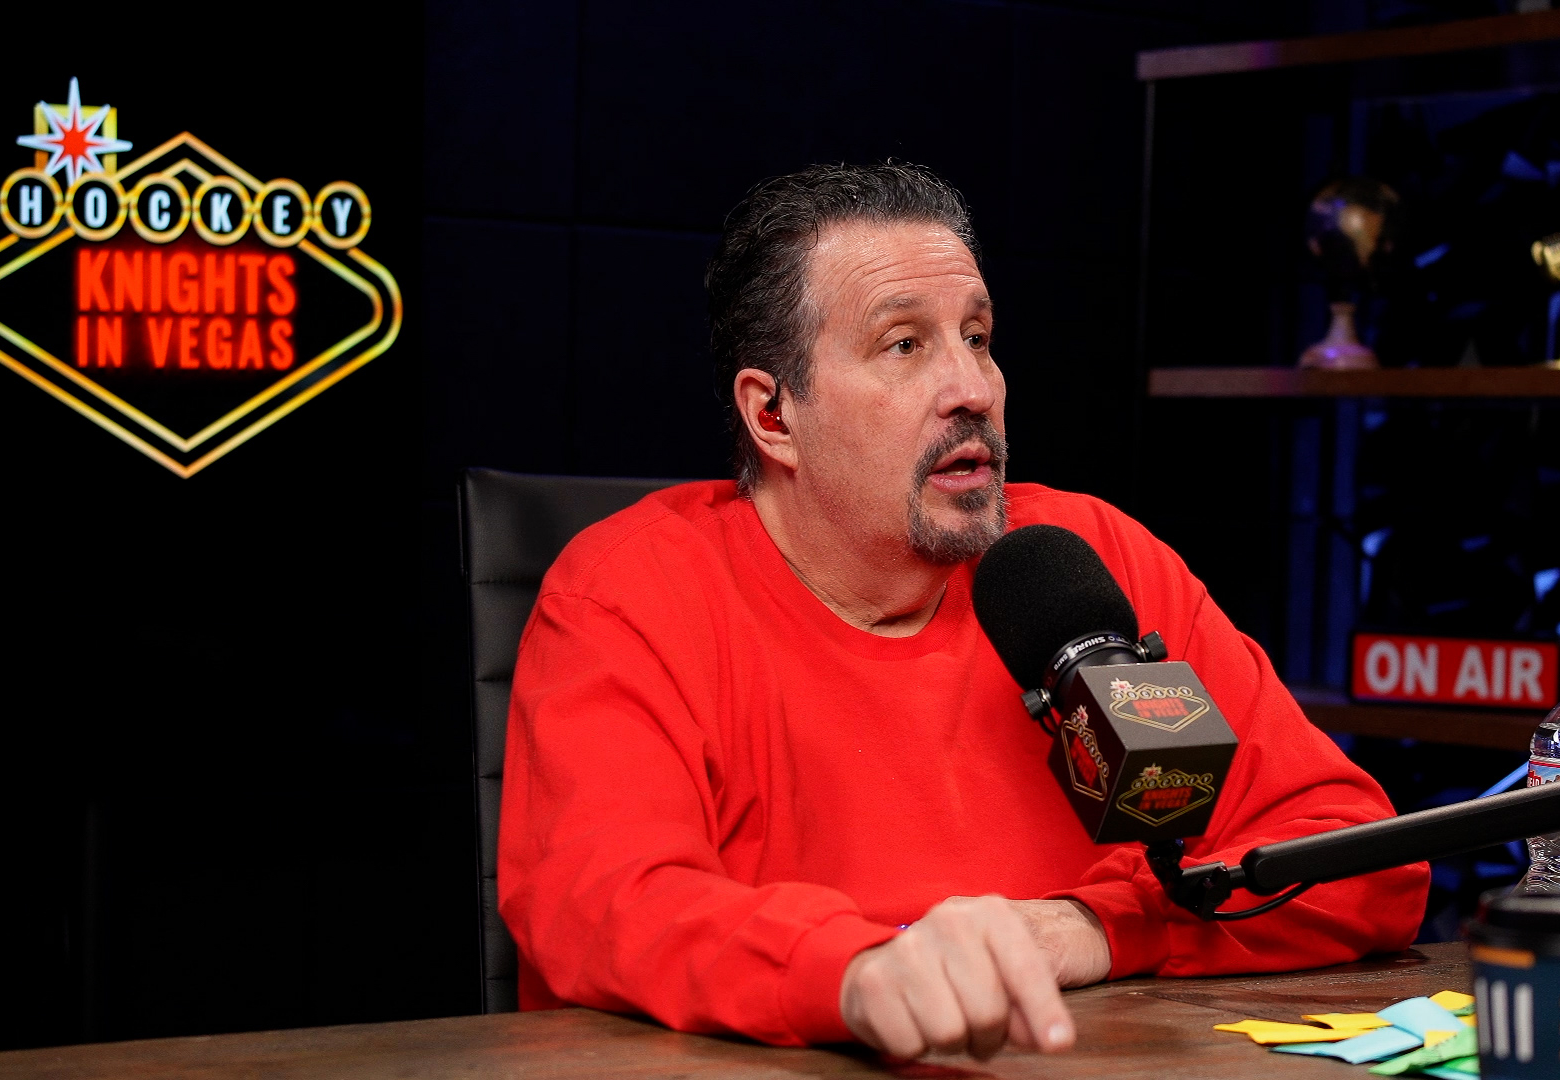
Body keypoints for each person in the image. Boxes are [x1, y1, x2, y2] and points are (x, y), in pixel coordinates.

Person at [498, 162, 1428, 1061]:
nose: (973, 390)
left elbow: (1366, 862)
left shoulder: (1089, 562)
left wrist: (1094, 926)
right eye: (904, 345)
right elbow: (606, 906)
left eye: (977, 337)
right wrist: (859, 973)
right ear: (774, 415)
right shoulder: (630, 595)